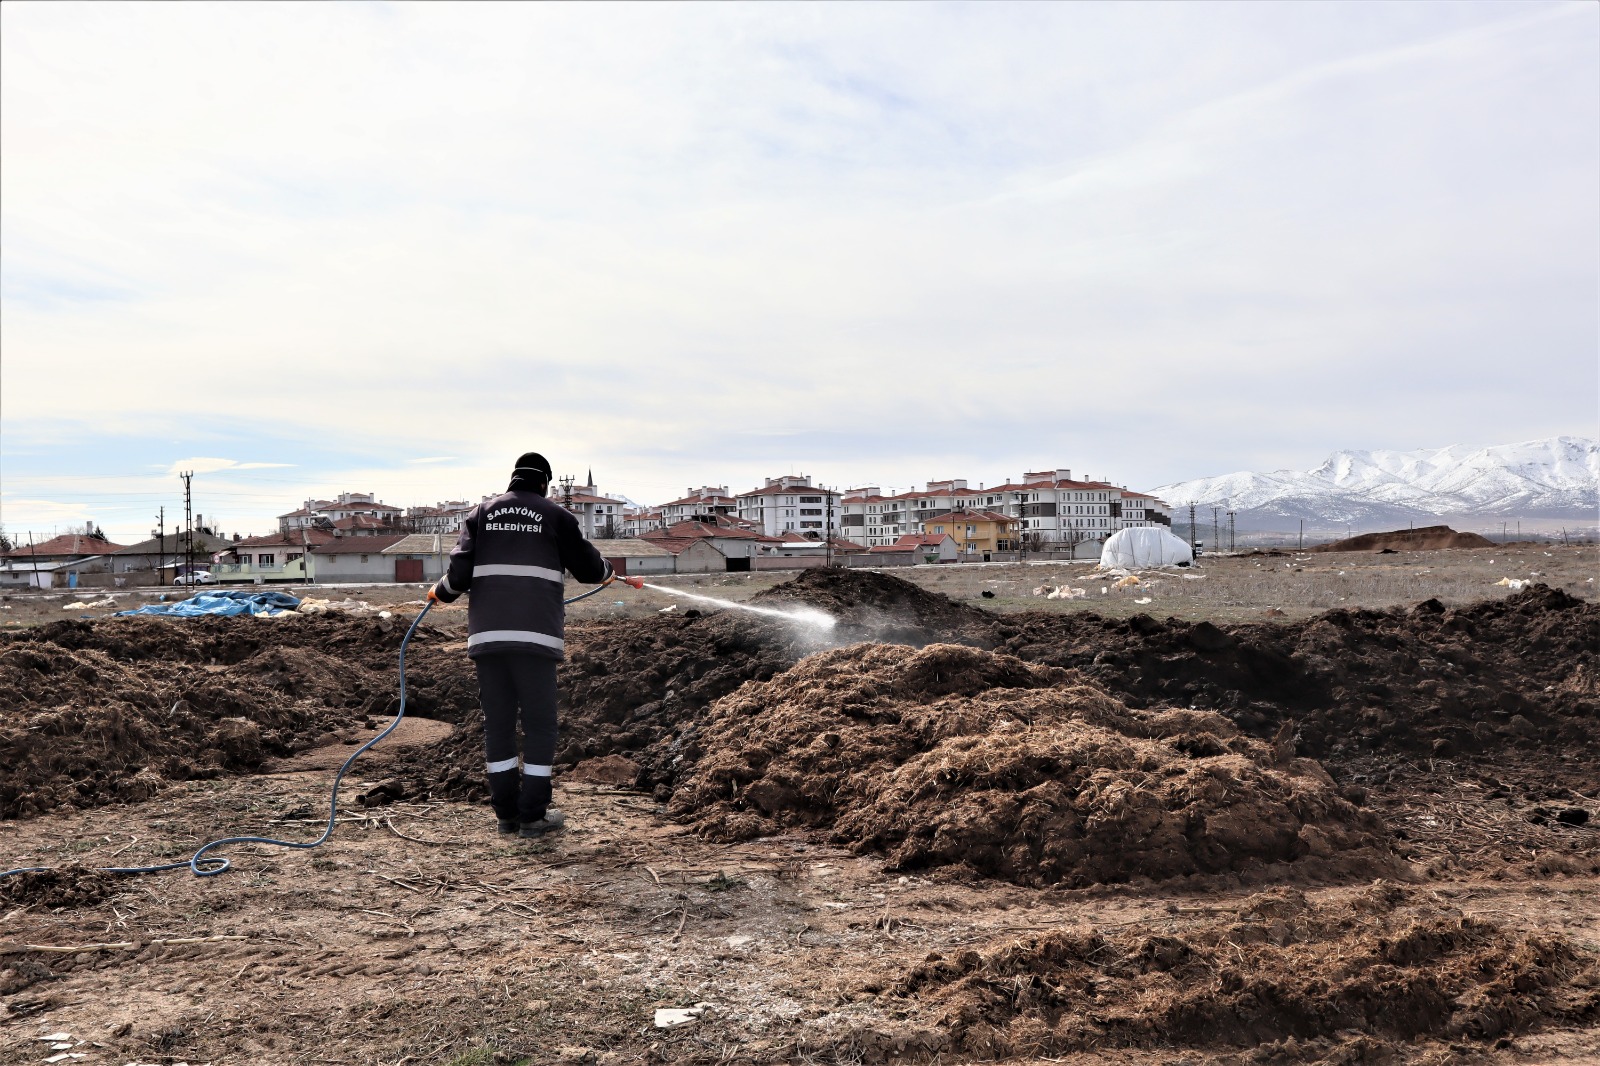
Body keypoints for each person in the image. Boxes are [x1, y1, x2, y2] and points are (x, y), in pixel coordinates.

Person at [428, 452, 613, 838]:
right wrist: (609, 572)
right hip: (536, 638)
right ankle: (533, 815)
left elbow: (458, 576)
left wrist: (440, 592)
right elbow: (590, 569)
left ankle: (506, 815)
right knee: (540, 725)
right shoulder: (556, 516)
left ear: (513, 479)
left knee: (497, 726)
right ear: (545, 483)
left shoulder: (481, 514)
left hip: (488, 638)